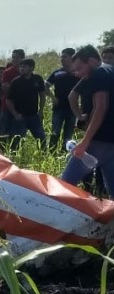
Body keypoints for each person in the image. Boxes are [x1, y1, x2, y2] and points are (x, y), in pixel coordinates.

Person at [60, 45, 114, 196]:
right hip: (111, 143)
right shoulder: (110, 71)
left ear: (91, 61)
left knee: (64, 185)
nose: (77, 73)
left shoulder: (98, 73)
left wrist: (85, 141)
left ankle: (47, 219)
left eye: (79, 68)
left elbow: (101, 107)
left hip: (98, 140)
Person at [6, 57, 46, 150]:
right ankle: (14, 160)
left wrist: (41, 111)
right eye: (21, 67)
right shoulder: (16, 82)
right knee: (16, 142)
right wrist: (15, 114)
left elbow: (42, 95)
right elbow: (8, 100)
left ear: (31, 68)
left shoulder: (37, 79)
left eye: (24, 66)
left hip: (34, 116)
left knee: (41, 139)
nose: (22, 68)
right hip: (20, 117)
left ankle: (43, 158)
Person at [46, 48, 80, 149]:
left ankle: (64, 154)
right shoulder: (57, 73)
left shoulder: (77, 73)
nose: (62, 59)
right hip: (58, 108)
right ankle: (51, 152)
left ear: (72, 58)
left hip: (72, 109)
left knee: (68, 135)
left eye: (64, 56)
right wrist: (53, 97)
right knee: (54, 133)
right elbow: (46, 85)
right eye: (61, 57)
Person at [0, 49, 26, 140]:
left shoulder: (26, 72)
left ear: (22, 58)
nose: (14, 60)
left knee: (18, 134)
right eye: (13, 57)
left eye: (17, 58)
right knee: (3, 132)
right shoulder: (7, 72)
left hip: (21, 108)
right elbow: (5, 88)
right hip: (6, 107)